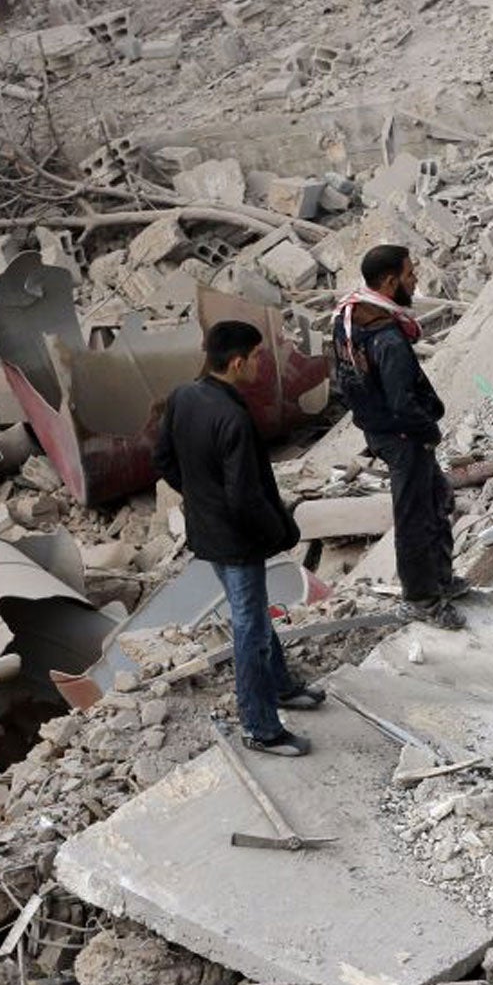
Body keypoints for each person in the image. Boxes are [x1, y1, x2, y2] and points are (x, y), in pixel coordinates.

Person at [154, 320, 323, 756]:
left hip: (211, 533)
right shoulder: (232, 417)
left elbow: (164, 460)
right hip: (237, 541)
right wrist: (280, 533)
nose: (260, 364)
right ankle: (261, 728)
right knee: (250, 628)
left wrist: (199, 498)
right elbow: (245, 496)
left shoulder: (183, 396)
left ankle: (281, 687)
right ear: (236, 362)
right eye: (256, 357)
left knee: (254, 617)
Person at [332, 245, 465, 631]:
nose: (415, 280)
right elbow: (403, 401)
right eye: (409, 275)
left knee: (437, 499)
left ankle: (440, 581)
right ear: (389, 282)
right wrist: (428, 431)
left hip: (380, 427)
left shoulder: (349, 315)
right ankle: (422, 599)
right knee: (416, 516)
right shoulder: (386, 336)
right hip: (402, 435)